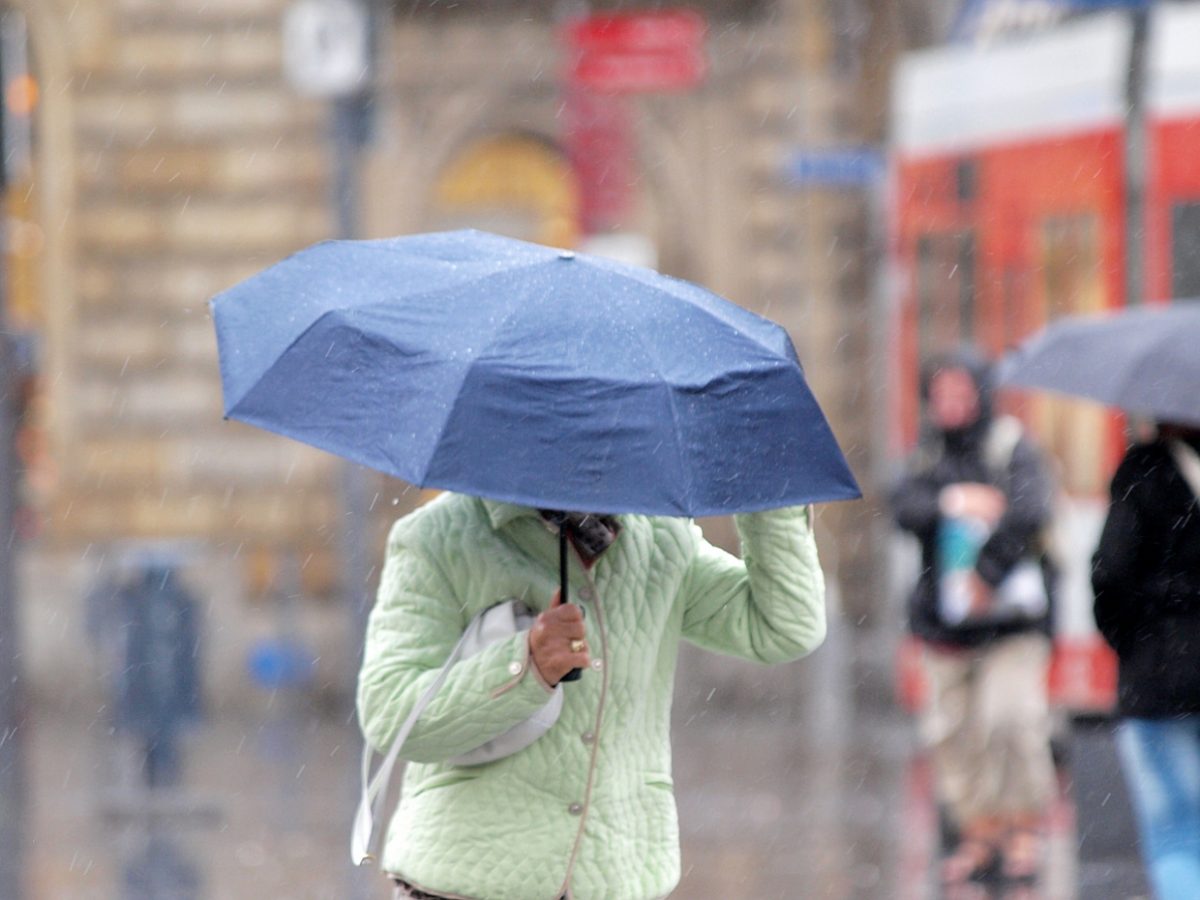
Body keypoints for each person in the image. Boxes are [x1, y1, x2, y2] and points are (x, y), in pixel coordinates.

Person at [357, 494, 826, 900]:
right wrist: (526, 665)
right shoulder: (438, 535)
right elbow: (392, 712)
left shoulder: (661, 536)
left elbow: (782, 626)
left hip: (619, 875)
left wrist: (771, 501)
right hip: (463, 882)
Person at [889, 346, 1057, 886]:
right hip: (945, 627)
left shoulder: (1011, 449)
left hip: (1010, 624)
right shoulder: (927, 457)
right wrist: (953, 502)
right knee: (953, 733)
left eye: (960, 392)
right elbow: (902, 506)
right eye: (940, 394)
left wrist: (986, 572)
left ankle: (1023, 827)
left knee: (1009, 720)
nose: (950, 404)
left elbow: (1033, 510)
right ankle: (979, 832)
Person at [1092, 422, 1200, 900]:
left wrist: (1134, 643)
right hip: (1163, 663)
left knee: (1175, 827)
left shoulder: (1145, 469)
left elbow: (1111, 572)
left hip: (1158, 676)